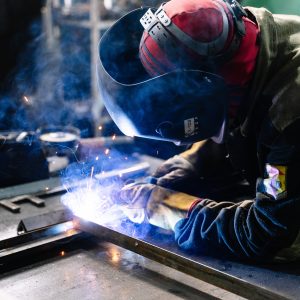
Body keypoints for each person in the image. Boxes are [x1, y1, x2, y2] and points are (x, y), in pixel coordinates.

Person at [97, 0, 300, 261]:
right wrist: (197, 161)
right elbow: (244, 112)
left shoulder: (290, 114)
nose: (181, 145)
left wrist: (169, 208)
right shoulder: (253, 42)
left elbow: (268, 234)